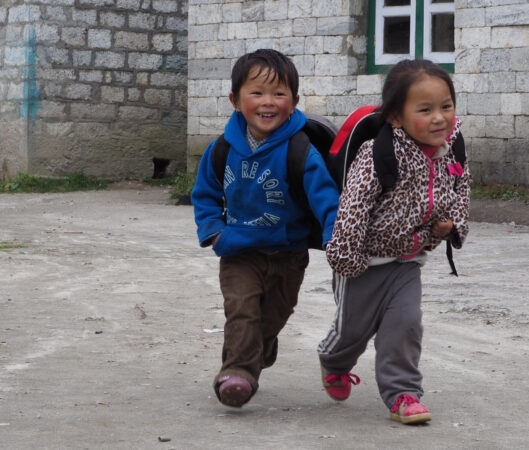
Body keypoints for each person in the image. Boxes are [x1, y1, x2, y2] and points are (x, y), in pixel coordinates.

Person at [316, 59, 471, 424]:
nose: (439, 118)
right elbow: (353, 205)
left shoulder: (453, 147)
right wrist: (347, 260)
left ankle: (403, 394)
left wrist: (453, 226)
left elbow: (461, 189)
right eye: (425, 110)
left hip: (409, 259)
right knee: (351, 332)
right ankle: (333, 361)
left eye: (446, 106)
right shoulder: (377, 154)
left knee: (406, 324)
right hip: (365, 260)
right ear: (397, 118)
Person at [191, 49, 339, 408]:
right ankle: (238, 374)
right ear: (235, 100)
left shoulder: (301, 151)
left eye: (279, 94)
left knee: (274, 316)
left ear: (295, 100)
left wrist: (337, 237)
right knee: (242, 311)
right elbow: (205, 195)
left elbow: (326, 199)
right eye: (257, 93)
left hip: (288, 254)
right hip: (239, 250)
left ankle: (261, 345)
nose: (268, 102)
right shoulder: (221, 149)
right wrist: (214, 232)